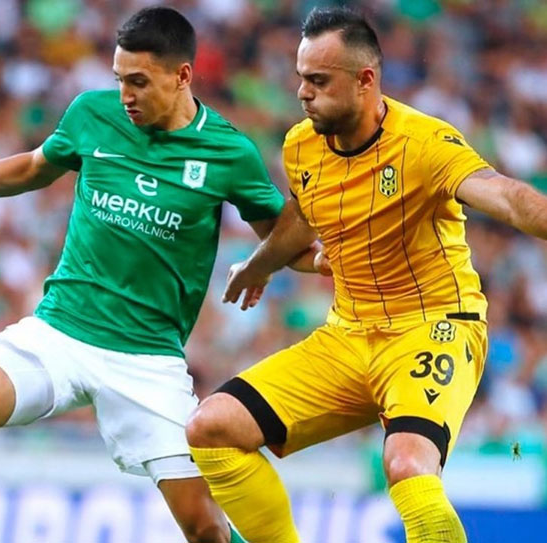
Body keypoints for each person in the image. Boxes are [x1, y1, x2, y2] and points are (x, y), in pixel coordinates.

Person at [0, 7, 320, 543]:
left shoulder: (228, 152)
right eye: (119, 79)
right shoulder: (92, 114)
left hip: (147, 359)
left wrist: (317, 262)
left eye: (138, 82)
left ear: (182, 75)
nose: (125, 96)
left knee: (205, 528)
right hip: (62, 330)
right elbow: (33, 167)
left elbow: (283, 237)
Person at [185, 7, 547, 543]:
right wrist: (257, 264)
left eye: (318, 81)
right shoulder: (302, 144)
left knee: (406, 464)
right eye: (301, 79)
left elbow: (509, 199)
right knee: (211, 427)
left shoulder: (423, 143)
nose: (303, 93)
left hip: (433, 328)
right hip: (348, 336)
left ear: (365, 80)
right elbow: (301, 219)